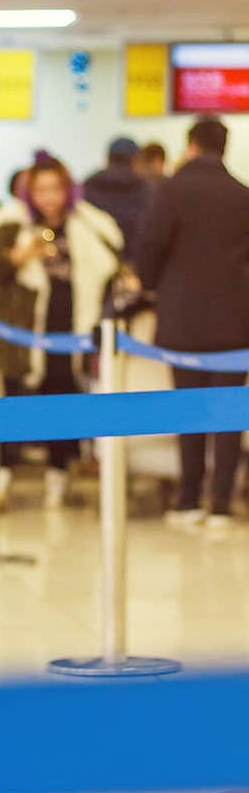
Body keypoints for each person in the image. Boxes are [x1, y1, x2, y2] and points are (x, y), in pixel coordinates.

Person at [0, 156, 124, 509]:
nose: (48, 198)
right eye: (41, 190)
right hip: (23, 332)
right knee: (13, 404)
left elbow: (110, 264)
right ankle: (2, 478)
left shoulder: (87, 225)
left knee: (62, 402)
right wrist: (21, 255)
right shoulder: (11, 224)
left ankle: (58, 477)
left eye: (54, 189)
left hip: (68, 330)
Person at [136, 117, 249, 532]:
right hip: (237, 321)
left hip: (183, 319)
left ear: (190, 147)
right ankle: (220, 504)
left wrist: (145, 282)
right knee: (228, 413)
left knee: (189, 410)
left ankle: (188, 499)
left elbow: (150, 246)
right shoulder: (243, 195)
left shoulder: (171, 191)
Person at [83, 136, 150, 263]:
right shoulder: (143, 189)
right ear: (135, 160)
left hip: (96, 262)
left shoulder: (89, 185)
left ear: (108, 158)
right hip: (131, 264)